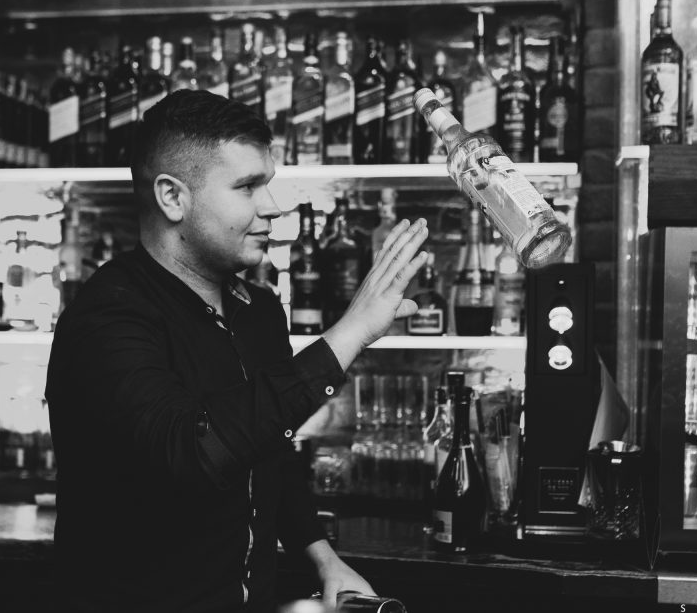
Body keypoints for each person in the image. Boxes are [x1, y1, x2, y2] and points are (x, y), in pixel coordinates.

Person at [46, 90, 430, 613]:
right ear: (172, 197)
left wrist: (322, 557)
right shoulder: (107, 316)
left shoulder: (258, 310)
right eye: (248, 187)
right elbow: (192, 450)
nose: (272, 207)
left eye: (266, 184)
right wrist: (350, 333)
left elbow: (269, 450)